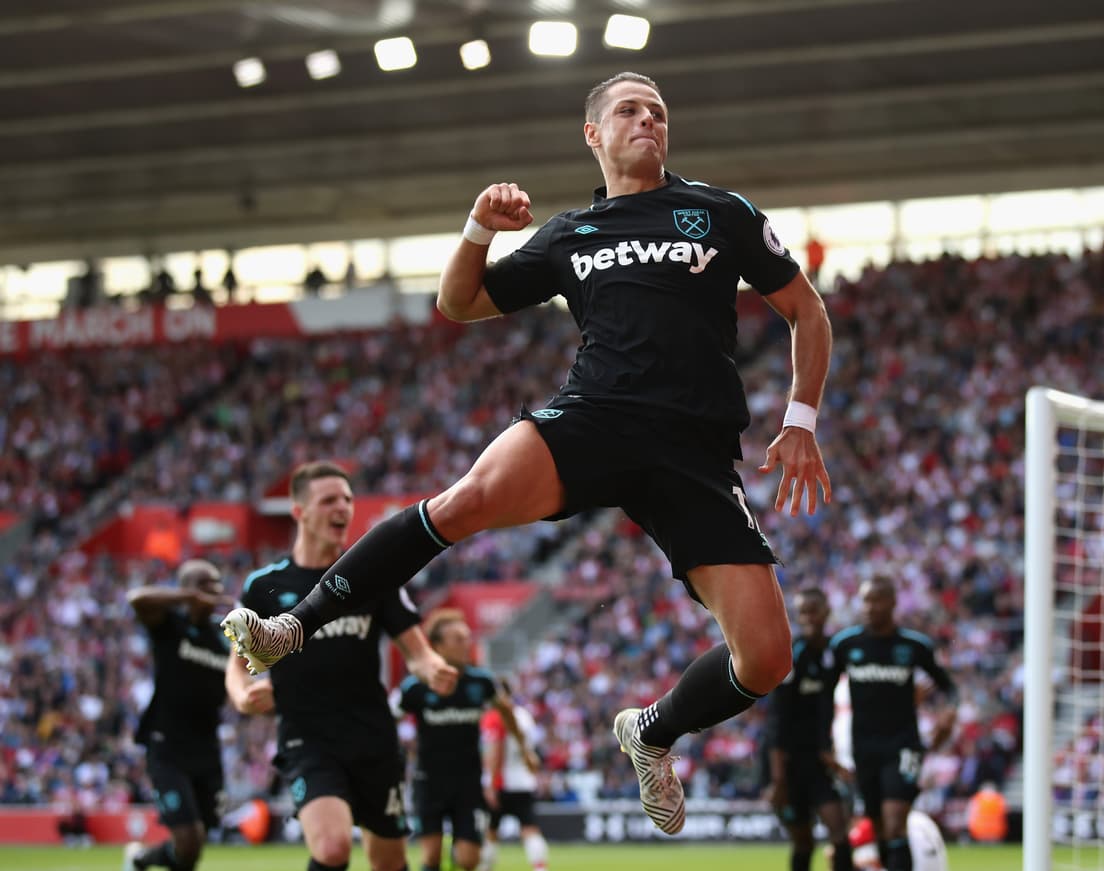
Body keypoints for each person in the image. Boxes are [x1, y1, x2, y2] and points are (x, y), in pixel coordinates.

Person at [222, 70, 833, 836]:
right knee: (460, 500)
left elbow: (805, 308)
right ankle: (293, 626)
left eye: (658, 111)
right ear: (593, 133)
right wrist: (479, 227)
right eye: (628, 110)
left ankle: (649, 732)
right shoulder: (569, 236)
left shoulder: (718, 211)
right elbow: (460, 303)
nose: (648, 120)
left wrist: (801, 417)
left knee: (767, 657)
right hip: (593, 417)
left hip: (692, 451)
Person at [224, 461, 457, 871]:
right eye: (329, 499)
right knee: (331, 849)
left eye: (347, 499)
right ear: (299, 512)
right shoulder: (264, 586)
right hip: (308, 738)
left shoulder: (369, 574)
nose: (343, 508)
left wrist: (433, 667)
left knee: (389, 862)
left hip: (373, 737)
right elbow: (237, 665)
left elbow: (416, 650)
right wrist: (242, 695)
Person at [828, 578, 957, 871]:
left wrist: (948, 713)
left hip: (903, 744)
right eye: (865, 600)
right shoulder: (846, 645)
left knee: (895, 820)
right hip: (864, 746)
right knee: (879, 827)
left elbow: (949, 688)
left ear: (893, 603)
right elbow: (825, 694)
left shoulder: (913, 646)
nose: (870, 607)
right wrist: (826, 739)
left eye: (877, 600)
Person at [394, 610, 536, 871]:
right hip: (429, 782)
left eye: (467, 638)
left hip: (468, 783)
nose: (466, 644)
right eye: (458, 639)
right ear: (437, 645)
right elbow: (390, 719)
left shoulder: (480, 682)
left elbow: (506, 711)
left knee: (469, 860)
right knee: (431, 857)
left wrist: (525, 750)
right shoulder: (415, 687)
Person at [123, 559, 233, 871]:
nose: (214, 591)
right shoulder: (170, 625)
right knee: (188, 839)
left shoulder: (223, 637)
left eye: (217, 584)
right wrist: (187, 599)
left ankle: (141, 859)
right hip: (168, 747)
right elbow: (136, 599)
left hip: (207, 748)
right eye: (205, 585)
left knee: (194, 844)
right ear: (186, 590)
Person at [763, 587, 853, 871]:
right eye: (803, 612)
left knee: (840, 833)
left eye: (814, 610)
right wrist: (777, 779)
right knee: (803, 842)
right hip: (788, 764)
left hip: (817, 760)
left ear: (826, 611)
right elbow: (777, 718)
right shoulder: (793, 655)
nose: (809, 617)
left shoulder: (833, 653)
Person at [478, 678, 548, 871]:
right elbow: (531, 749)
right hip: (523, 781)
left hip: (500, 782)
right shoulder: (524, 716)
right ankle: (540, 868)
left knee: (491, 832)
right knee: (530, 829)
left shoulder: (493, 717)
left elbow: (494, 753)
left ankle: (485, 868)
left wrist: (491, 785)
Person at [849, 811, 949, 871]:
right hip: (936, 866)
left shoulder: (888, 817)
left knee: (861, 854)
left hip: (911, 865)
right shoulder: (921, 818)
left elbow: (853, 840)